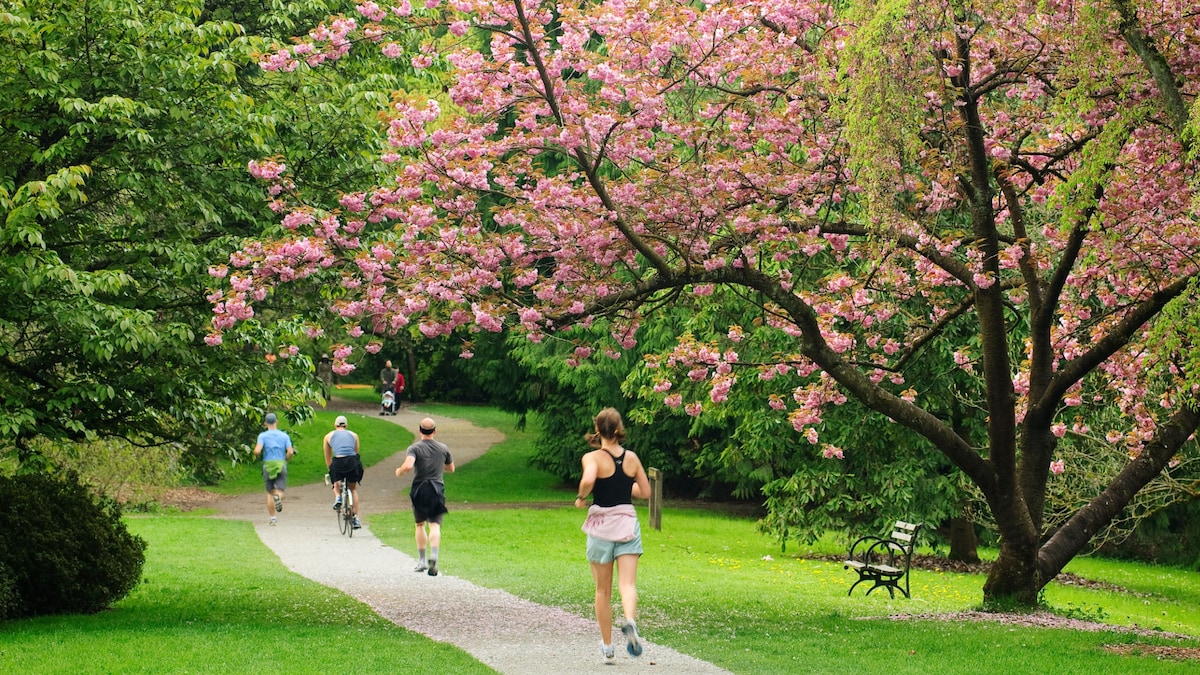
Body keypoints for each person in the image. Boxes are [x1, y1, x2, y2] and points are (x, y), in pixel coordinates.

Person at [574, 407, 651, 662]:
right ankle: (630, 620)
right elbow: (646, 491)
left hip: (601, 527)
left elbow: (588, 481)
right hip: (627, 523)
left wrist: (581, 497)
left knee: (602, 591)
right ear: (619, 429)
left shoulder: (592, 458)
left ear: (598, 430)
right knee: (627, 584)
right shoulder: (632, 458)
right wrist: (626, 485)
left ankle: (608, 647)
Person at [395, 417, 455, 576]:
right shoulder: (443, 448)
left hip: (419, 488)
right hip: (437, 488)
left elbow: (408, 465)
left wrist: (399, 471)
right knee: (434, 524)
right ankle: (434, 556)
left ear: (419, 431)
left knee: (420, 524)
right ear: (435, 431)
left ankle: (421, 560)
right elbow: (451, 468)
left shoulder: (414, 448)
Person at [253, 412, 295, 526]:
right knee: (280, 491)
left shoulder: (262, 436)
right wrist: (285, 459)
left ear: (265, 423)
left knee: (269, 492)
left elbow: (257, 450)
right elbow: (290, 452)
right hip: (281, 464)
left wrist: (257, 456)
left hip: (268, 465)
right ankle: (278, 497)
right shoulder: (284, 436)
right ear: (277, 421)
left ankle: (273, 518)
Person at [324, 415, 364, 529]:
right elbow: (356, 452)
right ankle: (356, 518)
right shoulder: (354, 435)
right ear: (346, 426)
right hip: (352, 462)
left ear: (335, 425)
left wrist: (331, 471)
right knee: (353, 488)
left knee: (336, 483)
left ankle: (337, 497)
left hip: (338, 462)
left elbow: (328, 457)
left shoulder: (328, 436)